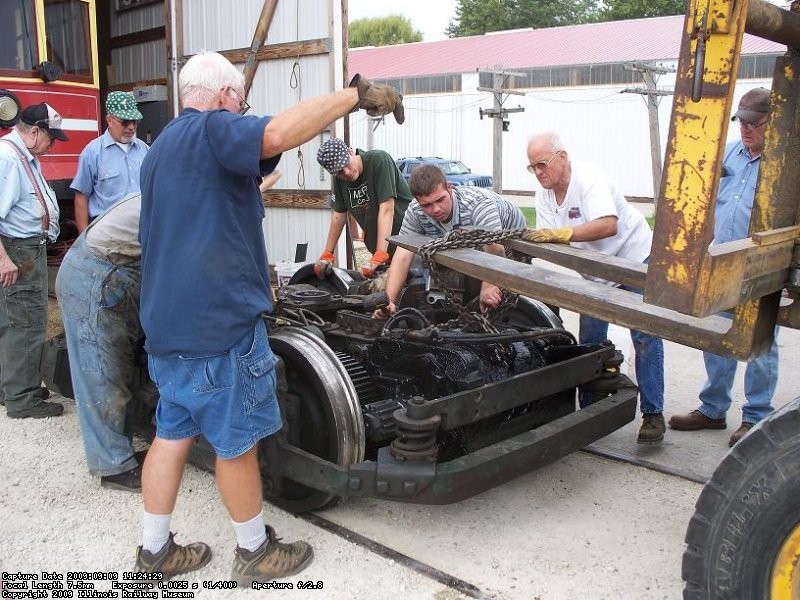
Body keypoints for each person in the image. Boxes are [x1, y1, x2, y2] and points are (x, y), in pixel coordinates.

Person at [135, 51, 403, 582]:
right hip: (217, 327)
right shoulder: (213, 128)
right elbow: (277, 134)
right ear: (223, 96)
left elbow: (219, 197)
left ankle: (154, 551)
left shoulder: (161, 147)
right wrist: (355, 96)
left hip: (169, 326)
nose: (242, 108)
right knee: (236, 442)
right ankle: (254, 551)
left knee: (172, 433)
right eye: (241, 99)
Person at [525, 132, 665, 444]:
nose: (538, 172)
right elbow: (553, 241)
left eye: (542, 164)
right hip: (595, 272)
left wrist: (563, 233)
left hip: (633, 260)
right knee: (590, 340)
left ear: (562, 157)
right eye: (532, 167)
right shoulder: (544, 196)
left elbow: (607, 224)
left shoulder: (589, 179)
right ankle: (589, 409)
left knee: (645, 334)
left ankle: (653, 414)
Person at [668, 87, 778, 447]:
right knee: (715, 333)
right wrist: (698, 254)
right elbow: (713, 204)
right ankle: (713, 408)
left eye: (754, 124)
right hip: (722, 259)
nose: (746, 130)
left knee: (759, 341)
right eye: (742, 123)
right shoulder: (731, 152)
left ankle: (756, 416)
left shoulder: (783, 162)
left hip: (762, 265)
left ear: (771, 122)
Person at [55, 193, 145, 492]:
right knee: (102, 375)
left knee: (120, 369)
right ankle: (113, 467)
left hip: (119, 269)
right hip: (95, 276)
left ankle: (122, 450)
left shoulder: (185, 189)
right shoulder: (183, 201)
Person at [375, 164, 526, 316]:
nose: (436, 209)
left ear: (449, 187)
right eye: (427, 205)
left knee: (488, 285)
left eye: (440, 200)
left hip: (511, 241)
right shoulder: (415, 210)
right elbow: (402, 255)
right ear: (417, 200)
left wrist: (488, 286)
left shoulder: (477, 205)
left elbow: (495, 250)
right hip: (470, 241)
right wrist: (388, 302)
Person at [0, 103, 68, 419]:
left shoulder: (22, 156)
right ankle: (22, 398)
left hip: (26, 249)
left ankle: (13, 386)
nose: (52, 144)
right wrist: (4, 259)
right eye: (50, 138)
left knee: (13, 320)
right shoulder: (8, 159)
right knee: (26, 322)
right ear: (35, 132)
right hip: (19, 250)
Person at [315, 138, 412, 278]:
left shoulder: (379, 160)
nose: (346, 172)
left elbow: (386, 209)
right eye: (340, 171)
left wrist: (380, 254)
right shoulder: (340, 180)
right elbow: (338, 216)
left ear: (350, 151)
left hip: (408, 244)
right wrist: (328, 253)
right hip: (385, 250)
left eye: (346, 164)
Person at [70, 91, 149, 233]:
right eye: (125, 122)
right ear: (109, 120)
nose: (131, 127)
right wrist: (84, 242)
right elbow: (81, 196)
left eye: (135, 122)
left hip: (140, 230)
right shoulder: (93, 152)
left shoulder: (144, 150)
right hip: (106, 233)